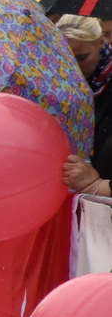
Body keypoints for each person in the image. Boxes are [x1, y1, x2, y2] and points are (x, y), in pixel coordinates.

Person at [59, 14, 112, 197]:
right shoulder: (57, 86)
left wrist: (97, 185)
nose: (74, 67)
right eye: (66, 59)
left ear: (100, 42)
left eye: (82, 58)